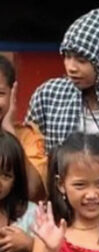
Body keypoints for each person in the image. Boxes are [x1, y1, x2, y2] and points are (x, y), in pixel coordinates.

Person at [27, 8, 99, 152]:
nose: (71, 67)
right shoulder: (48, 95)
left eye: (81, 60)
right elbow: (30, 149)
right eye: (67, 56)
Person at [0, 55, 47, 199]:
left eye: (0, 93)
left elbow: (33, 191)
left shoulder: (28, 137)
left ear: (13, 93)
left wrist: (10, 133)